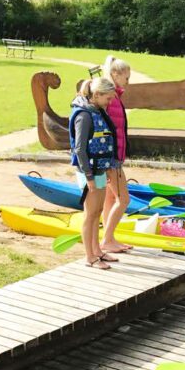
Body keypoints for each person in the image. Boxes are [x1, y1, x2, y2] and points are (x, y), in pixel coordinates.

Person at [69, 77, 119, 269]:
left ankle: (97, 250)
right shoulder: (84, 116)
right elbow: (80, 150)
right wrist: (89, 177)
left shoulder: (97, 111)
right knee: (90, 214)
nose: (110, 102)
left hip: (99, 168)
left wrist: (104, 169)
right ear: (97, 95)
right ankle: (89, 256)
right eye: (108, 98)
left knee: (98, 211)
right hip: (87, 171)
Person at [101, 55, 133, 254]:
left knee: (110, 199)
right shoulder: (110, 99)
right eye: (126, 78)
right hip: (112, 159)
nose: (128, 82)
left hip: (113, 157)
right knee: (124, 200)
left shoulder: (114, 97)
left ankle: (109, 237)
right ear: (115, 74)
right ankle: (106, 240)